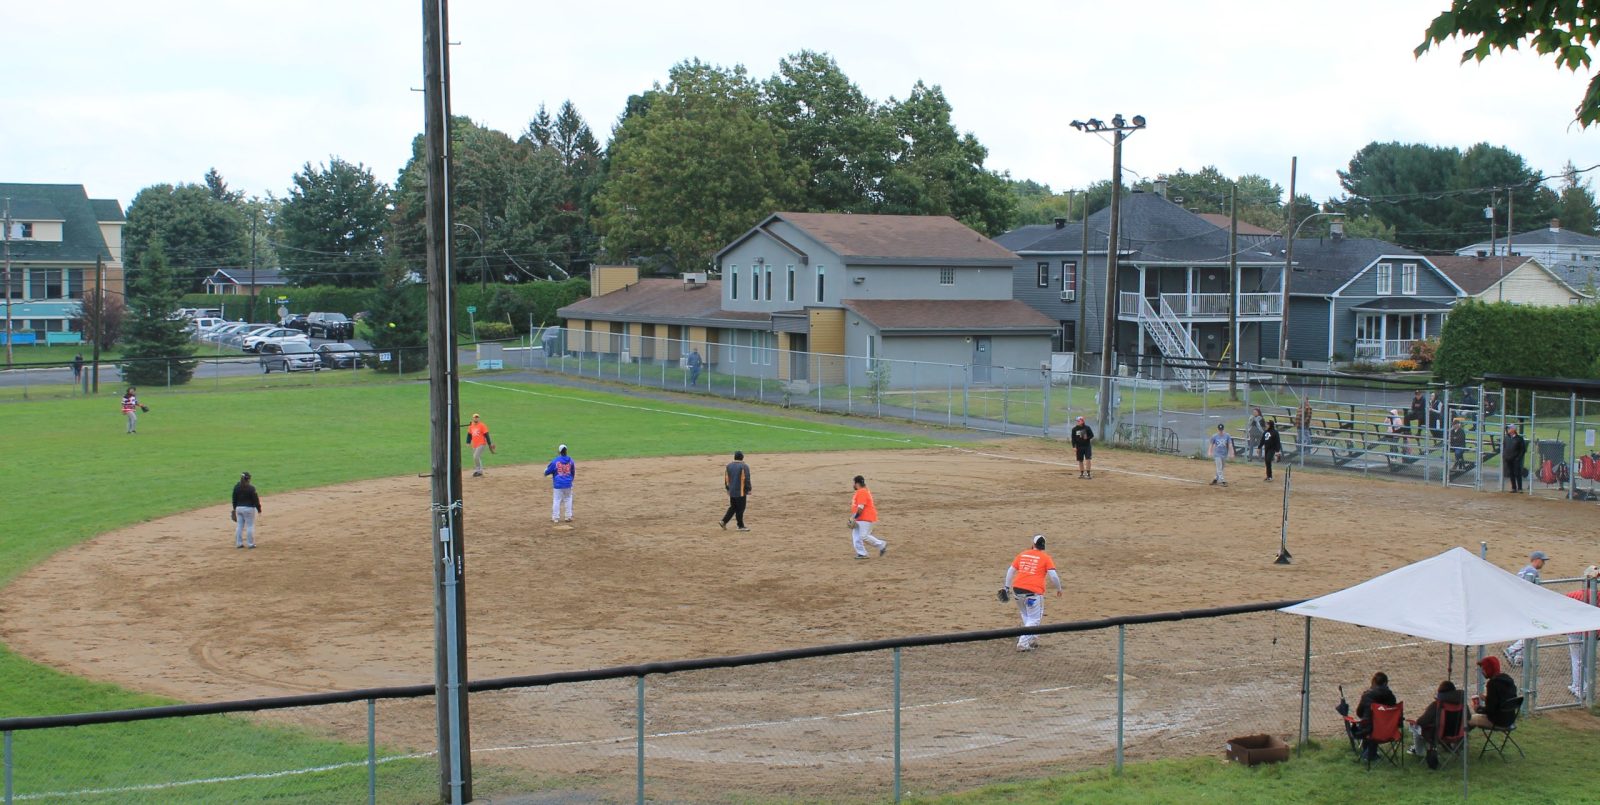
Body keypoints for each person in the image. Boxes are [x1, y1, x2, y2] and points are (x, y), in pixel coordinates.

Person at [1003, 534, 1063, 651]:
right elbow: (1053, 576)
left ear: (1033, 544)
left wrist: (1006, 587)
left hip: (1017, 590)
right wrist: (1059, 588)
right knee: (1034, 619)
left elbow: (1010, 571)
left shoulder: (1022, 554)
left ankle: (1032, 638)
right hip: (1034, 593)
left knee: (1026, 615)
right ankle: (1023, 643)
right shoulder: (1046, 558)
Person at [1502, 550, 1548, 667]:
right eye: (1542, 561)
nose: (1544, 563)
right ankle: (1511, 650)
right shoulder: (1531, 571)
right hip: (1526, 606)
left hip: (1519, 605)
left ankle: (1519, 658)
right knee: (1532, 632)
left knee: (1526, 630)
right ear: (1537, 560)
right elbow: (1526, 588)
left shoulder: (1523, 570)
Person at [1563, 565, 1600, 699]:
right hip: (1590, 633)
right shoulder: (1598, 595)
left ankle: (1578, 687)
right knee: (1586, 660)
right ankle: (1584, 688)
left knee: (1577, 660)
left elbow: (1563, 608)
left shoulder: (1574, 594)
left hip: (1575, 631)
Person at [1347, 671, 1398, 761]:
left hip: (1370, 730)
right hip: (1390, 730)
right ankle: (1370, 754)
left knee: (1366, 724)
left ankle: (1368, 754)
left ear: (1373, 682)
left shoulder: (1367, 695)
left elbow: (1359, 713)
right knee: (1373, 723)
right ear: (1386, 683)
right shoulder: (1391, 697)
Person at [1408, 680, 1466, 758]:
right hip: (1459, 734)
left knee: (1415, 727)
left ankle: (1419, 752)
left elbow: (1422, 721)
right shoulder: (1462, 704)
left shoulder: (1436, 705)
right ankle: (1455, 748)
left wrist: (1417, 722)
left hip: (1438, 735)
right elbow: (1468, 718)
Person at [1468, 655, 1518, 729]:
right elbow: (1502, 700)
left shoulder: (1493, 684)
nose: (1482, 671)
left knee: (1468, 720)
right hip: (1510, 720)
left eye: (1483, 669)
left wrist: (1478, 709)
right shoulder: (1508, 680)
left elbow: (1490, 710)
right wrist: (1487, 699)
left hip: (1498, 721)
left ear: (1489, 669)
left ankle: (1461, 740)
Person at [847, 475, 887, 559]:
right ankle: (862, 553)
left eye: (854, 483)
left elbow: (861, 507)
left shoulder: (862, 492)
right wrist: (853, 516)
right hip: (860, 518)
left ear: (857, 483)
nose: (853, 485)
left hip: (866, 518)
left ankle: (881, 544)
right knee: (856, 537)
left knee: (864, 536)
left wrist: (854, 517)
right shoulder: (861, 491)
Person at [720, 450, 752, 531]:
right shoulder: (744, 466)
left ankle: (723, 521)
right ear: (742, 457)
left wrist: (728, 488)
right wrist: (748, 489)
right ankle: (740, 526)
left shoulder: (729, 466)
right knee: (740, 508)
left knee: (733, 507)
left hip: (732, 491)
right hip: (740, 492)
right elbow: (747, 479)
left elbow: (726, 478)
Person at [544, 444, 575, 523]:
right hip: (568, 483)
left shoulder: (555, 461)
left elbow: (547, 471)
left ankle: (555, 518)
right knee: (568, 499)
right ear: (566, 451)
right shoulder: (571, 460)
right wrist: (570, 480)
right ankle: (568, 517)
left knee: (557, 500)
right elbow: (573, 472)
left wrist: (545, 471)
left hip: (558, 484)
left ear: (559, 451)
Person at [231, 471, 262, 549]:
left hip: (238, 509)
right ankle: (250, 544)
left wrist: (235, 509)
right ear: (248, 479)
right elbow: (256, 500)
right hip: (249, 509)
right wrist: (259, 509)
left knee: (239, 526)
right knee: (250, 526)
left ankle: (239, 543)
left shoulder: (236, 487)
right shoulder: (251, 488)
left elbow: (234, 499)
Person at [1504, 425, 1528, 493]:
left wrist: (1518, 458)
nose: (1508, 429)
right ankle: (1513, 488)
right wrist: (1505, 456)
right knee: (1511, 473)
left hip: (1516, 459)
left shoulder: (1519, 438)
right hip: (1508, 459)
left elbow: (1523, 450)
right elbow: (1504, 447)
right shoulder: (1506, 438)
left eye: (1510, 428)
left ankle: (1520, 488)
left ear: (1514, 430)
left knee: (1517, 473)